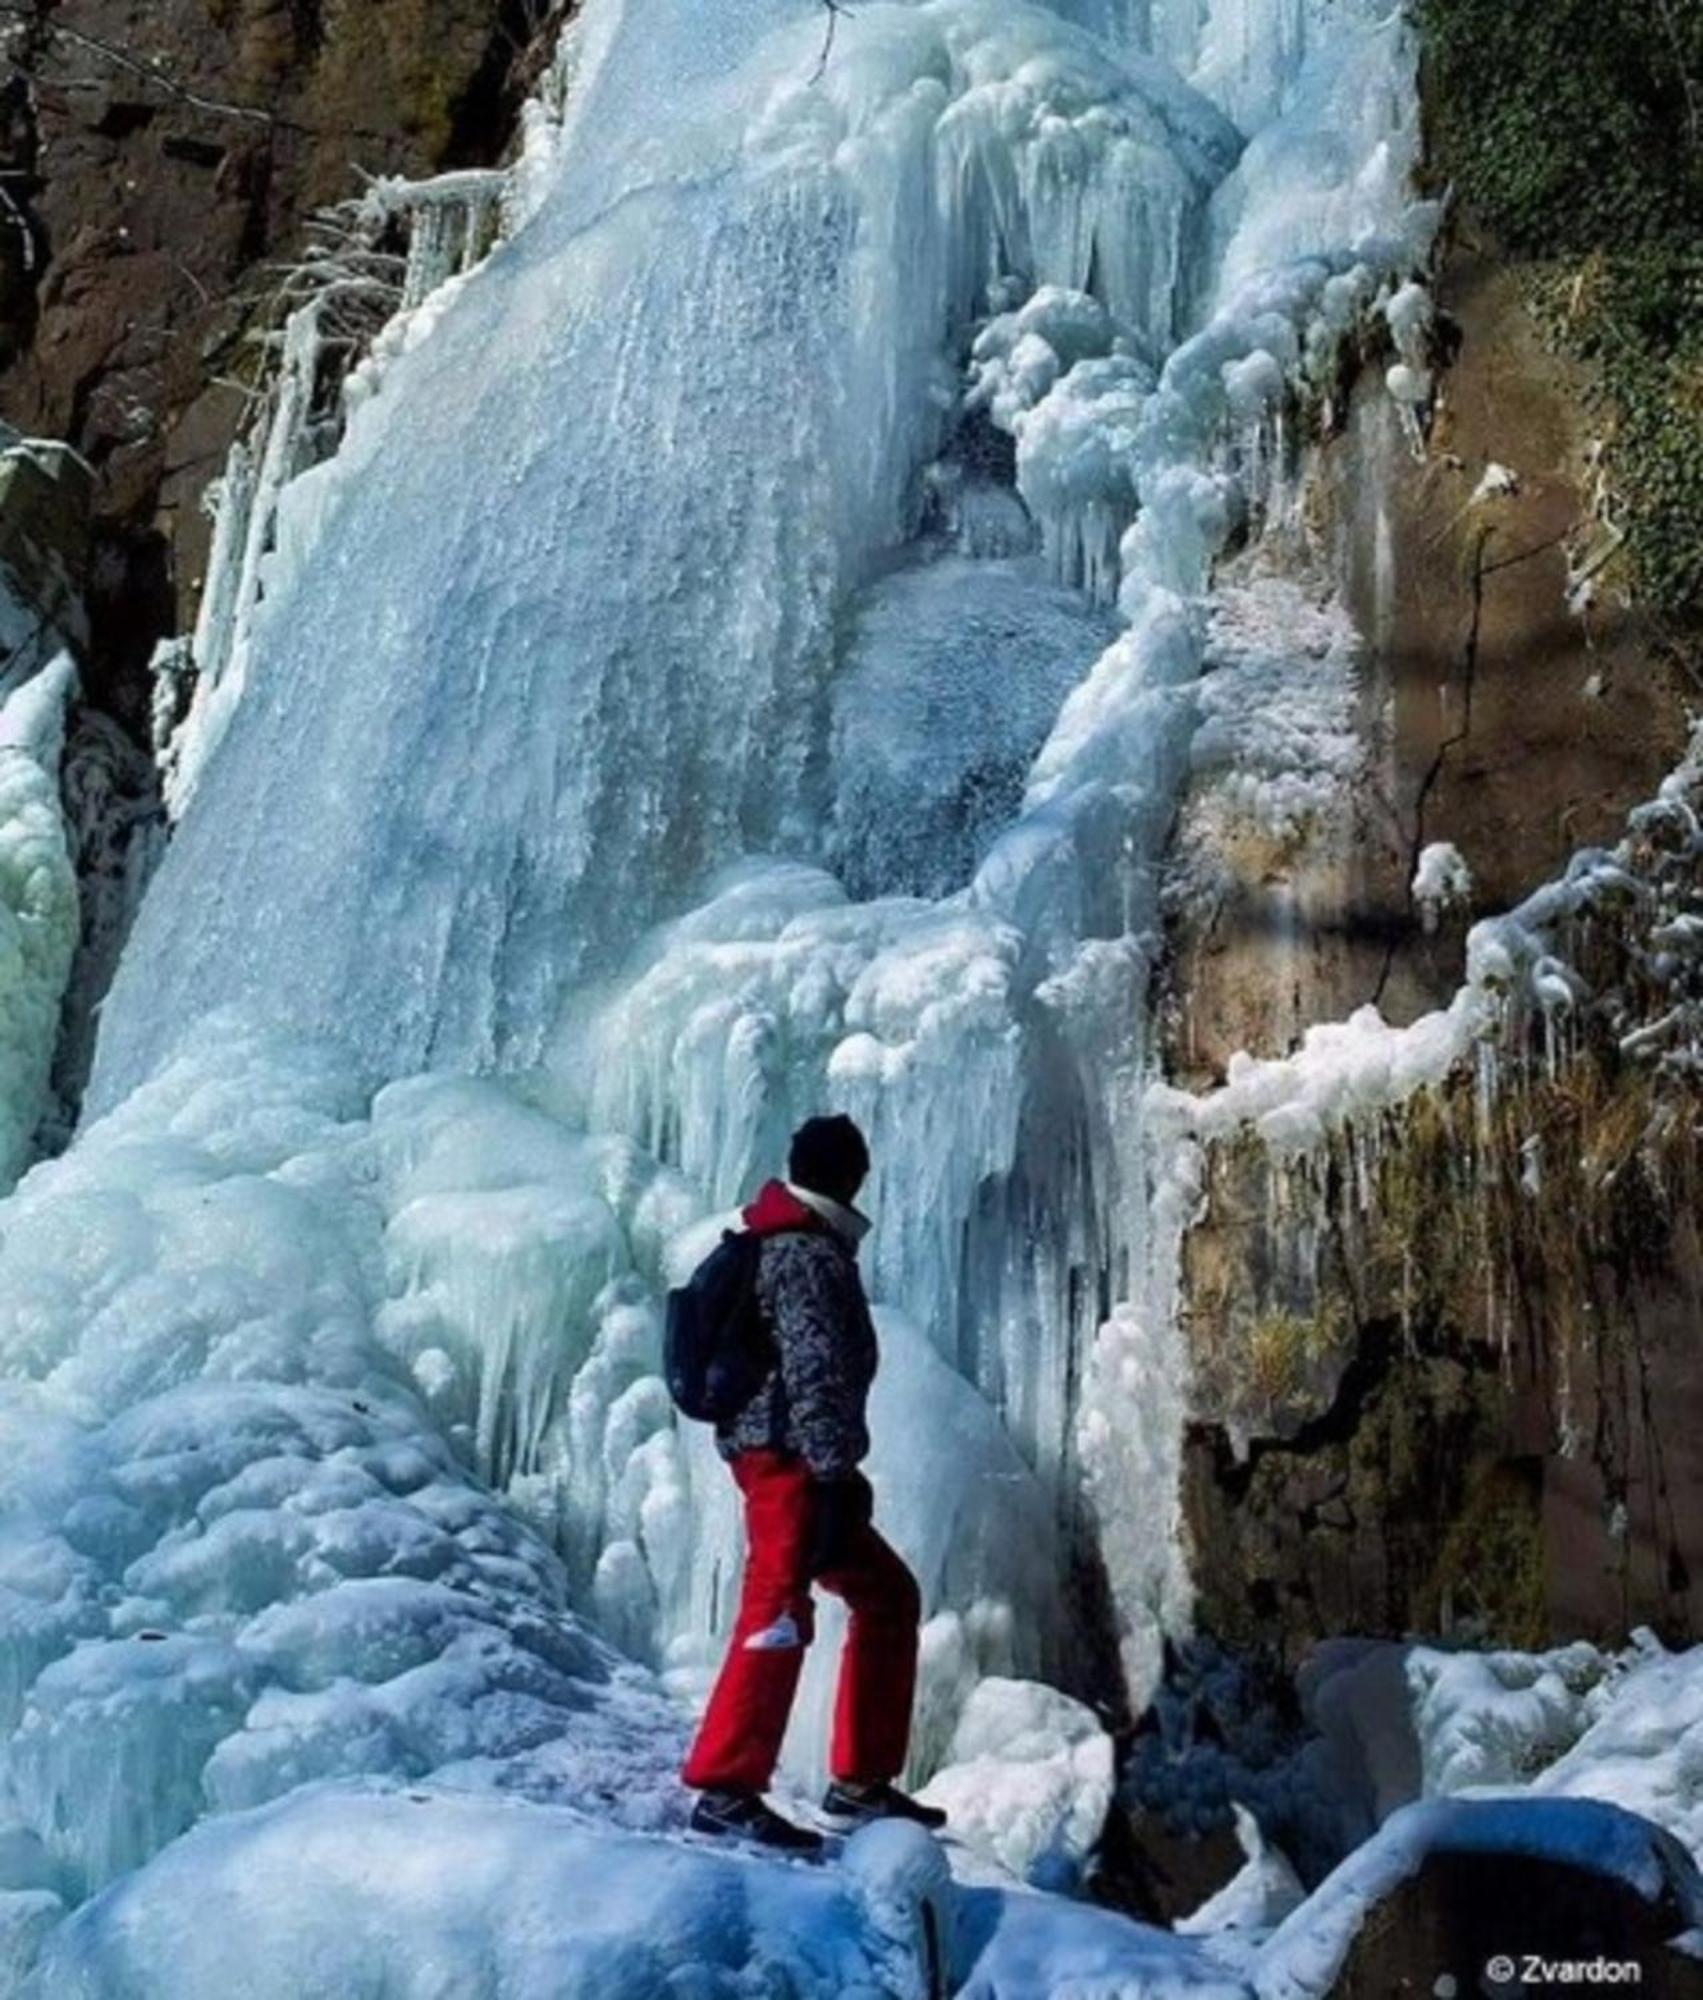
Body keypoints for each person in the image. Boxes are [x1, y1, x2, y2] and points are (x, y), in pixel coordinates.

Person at [683, 1113, 946, 1853]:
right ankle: (725, 1788)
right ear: (850, 1174)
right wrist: (833, 1473)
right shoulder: (802, 1252)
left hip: (797, 1457)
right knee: (777, 1608)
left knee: (887, 1595)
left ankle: (859, 1783)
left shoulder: (793, 1239)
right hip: (788, 1460)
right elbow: (813, 1369)